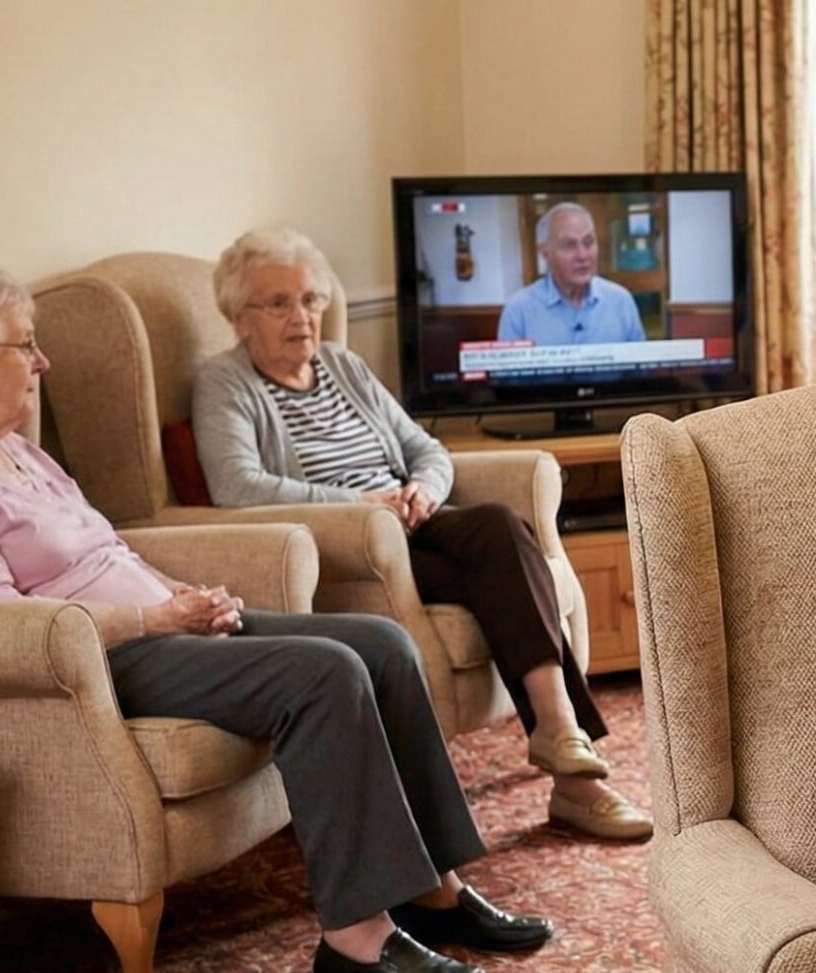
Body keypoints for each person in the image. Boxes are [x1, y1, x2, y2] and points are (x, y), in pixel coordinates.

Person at [0, 258, 554, 973]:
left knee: (379, 644)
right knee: (324, 671)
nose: (42, 362)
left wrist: (178, 594)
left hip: (155, 624)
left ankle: (435, 889)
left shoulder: (14, 449)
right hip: (95, 663)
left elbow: (102, 551)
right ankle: (357, 938)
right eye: (25, 345)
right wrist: (150, 617)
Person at [192, 227, 651, 842]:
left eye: (311, 299)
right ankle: (576, 781)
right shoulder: (225, 383)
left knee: (498, 528)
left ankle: (558, 732)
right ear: (238, 317)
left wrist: (425, 490)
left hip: (414, 522)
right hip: (351, 548)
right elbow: (239, 487)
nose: (301, 317)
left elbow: (425, 448)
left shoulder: (344, 366)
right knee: (503, 572)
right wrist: (360, 503)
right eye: (279, 304)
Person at [493, 202, 647, 346]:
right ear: (545, 252)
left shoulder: (621, 301)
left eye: (588, 242)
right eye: (569, 245)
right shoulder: (518, 310)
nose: (583, 256)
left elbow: (643, 371)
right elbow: (508, 374)